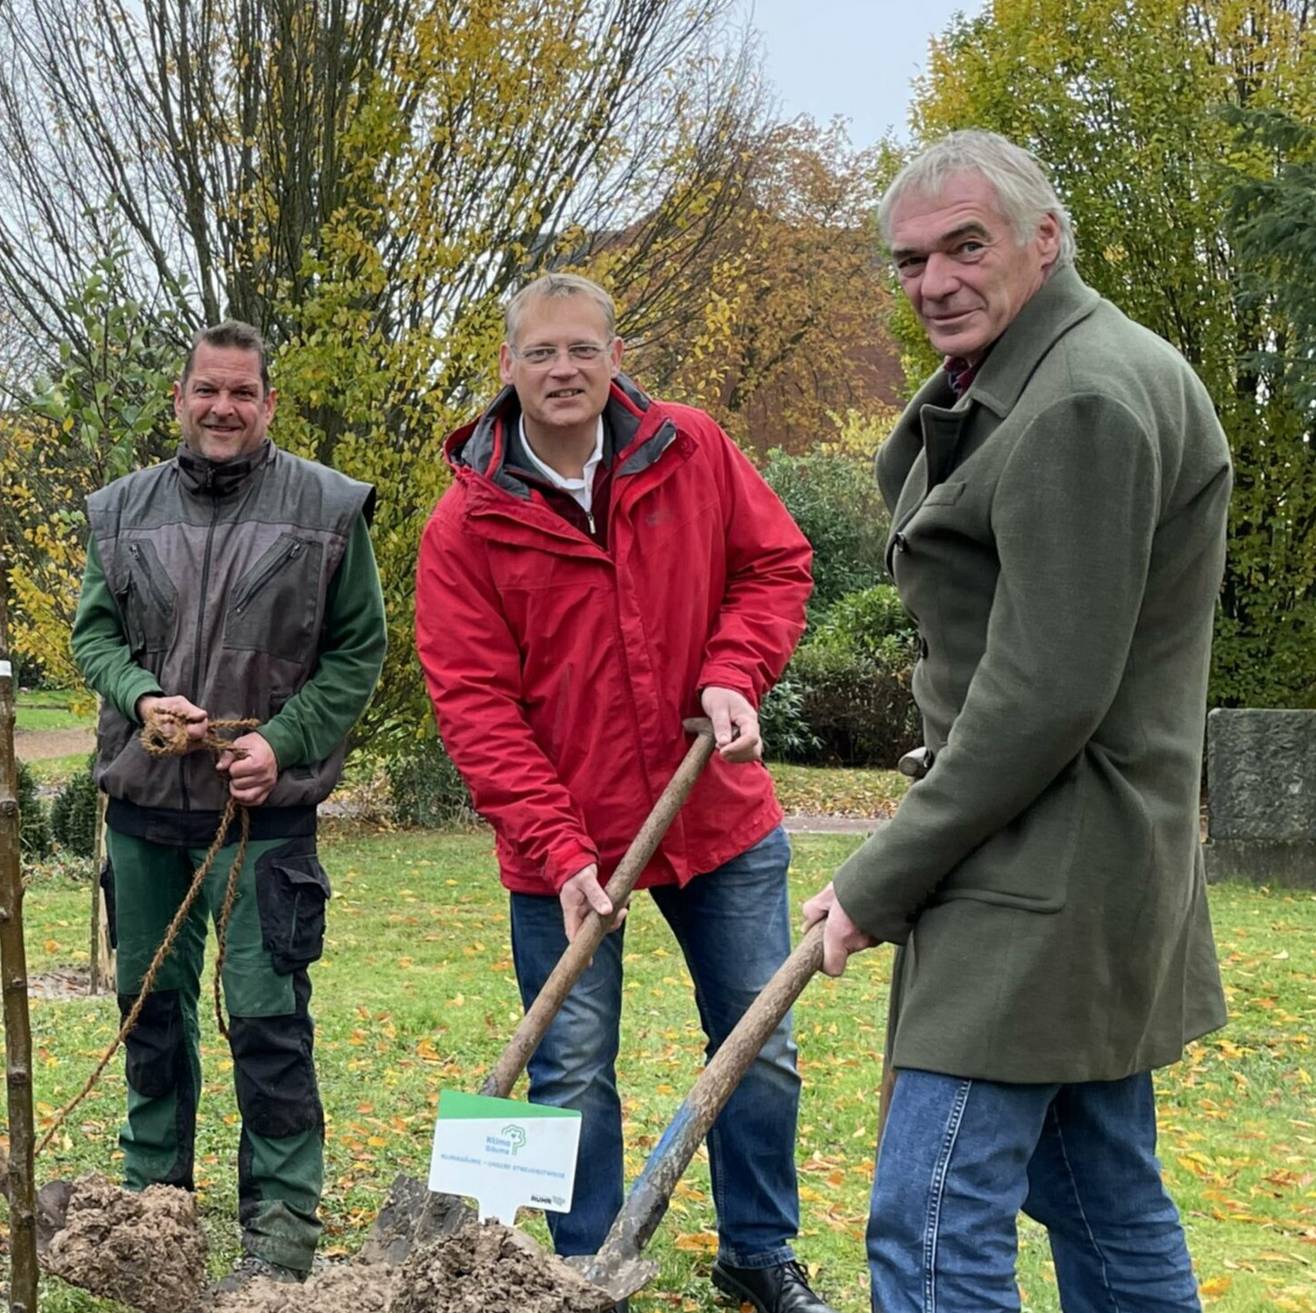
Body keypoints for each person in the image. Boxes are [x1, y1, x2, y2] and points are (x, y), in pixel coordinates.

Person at [801, 129, 1228, 1311]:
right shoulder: (1037, 374)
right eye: (909, 259)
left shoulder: (1084, 398)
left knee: (930, 1218)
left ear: (1046, 240)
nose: (934, 280)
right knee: (1098, 1191)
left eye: (964, 246)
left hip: (1044, 871)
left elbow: (1044, 695)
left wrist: (880, 874)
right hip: (1064, 862)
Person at [416, 274, 831, 1312]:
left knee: (759, 1047)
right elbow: (474, 703)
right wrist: (558, 848)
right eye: (542, 353)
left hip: (714, 810)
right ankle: (584, 1268)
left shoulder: (689, 448)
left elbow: (775, 564)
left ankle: (759, 1246)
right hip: (562, 843)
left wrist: (734, 667)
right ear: (507, 367)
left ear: (613, 356)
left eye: (582, 350)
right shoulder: (467, 519)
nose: (564, 370)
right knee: (569, 1072)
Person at [69, 320, 386, 1289]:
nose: (222, 407)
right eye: (207, 389)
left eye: (242, 392)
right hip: (145, 815)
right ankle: (154, 1209)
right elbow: (93, 637)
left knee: (267, 1021)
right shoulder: (120, 512)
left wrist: (281, 744)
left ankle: (281, 1230)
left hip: (265, 822)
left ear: (268, 404)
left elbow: (357, 653)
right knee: (148, 1014)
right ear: (180, 397)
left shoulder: (329, 509)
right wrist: (138, 695)